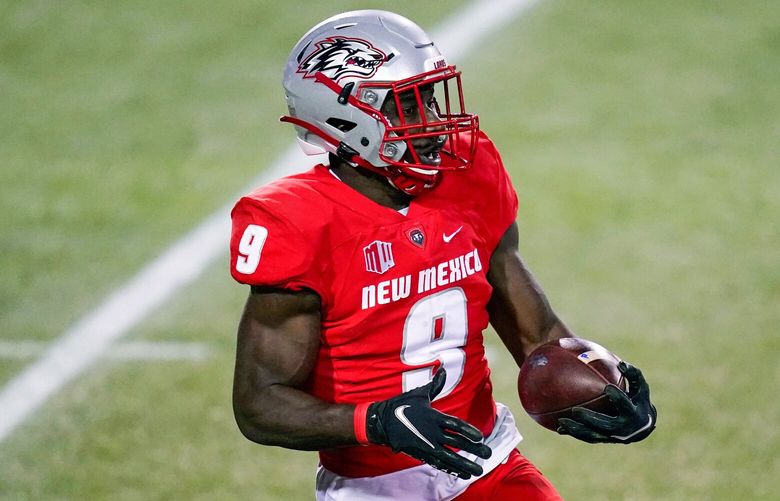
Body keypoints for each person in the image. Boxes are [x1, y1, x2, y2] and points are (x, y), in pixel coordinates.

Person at [229, 10, 656, 500]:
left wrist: (600, 384)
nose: (432, 122)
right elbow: (259, 403)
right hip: (373, 488)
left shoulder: (467, 172)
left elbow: (535, 331)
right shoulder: (298, 221)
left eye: (430, 99)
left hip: (487, 465)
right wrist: (377, 422)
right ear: (346, 115)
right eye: (409, 106)